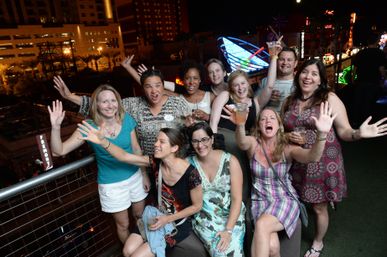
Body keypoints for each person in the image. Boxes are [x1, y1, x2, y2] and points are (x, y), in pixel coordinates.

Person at [281, 58, 387, 257]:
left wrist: (358, 133)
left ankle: (318, 243)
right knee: (298, 199)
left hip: (323, 162)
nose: (308, 77)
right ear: (298, 75)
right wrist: (287, 136)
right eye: (305, 72)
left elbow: (344, 131)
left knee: (319, 207)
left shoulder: (328, 98)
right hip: (298, 160)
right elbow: (283, 129)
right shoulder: (290, 100)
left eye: (314, 74)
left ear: (321, 80)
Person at [224, 101, 335, 257]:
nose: (268, 121)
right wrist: (240, 125)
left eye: (272, 118)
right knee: (272, 248)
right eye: (263, 119)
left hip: (283, 199)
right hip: (260, 201)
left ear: (279, 125)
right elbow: (242, 141)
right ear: (259, 126)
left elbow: (312, 157)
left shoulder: (287, 148)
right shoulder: (253, 144)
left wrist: (322, 134)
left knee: (262, 224)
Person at [76, 125, 204, 257]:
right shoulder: (156, 162)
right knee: (127, 251)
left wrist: (168, 219)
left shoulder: (191, 174)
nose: (155, 144)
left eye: (161, 141)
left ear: (174, 148)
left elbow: (197, 206)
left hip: (176, 223)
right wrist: (103, 141)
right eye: (156, 140)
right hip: (155, 216)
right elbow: (125, 156)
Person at [48, 84, 149, 244]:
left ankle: (146, 248)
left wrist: (144, 175)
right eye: (104, 102)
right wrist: (55, 127)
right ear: (97, 105)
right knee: (123, 225)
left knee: (140, 217)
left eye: (113, 100)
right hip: (112, 185)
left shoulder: (126, 118)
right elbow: (58, 151)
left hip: (135, 176)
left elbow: (136, 149)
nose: (110, 105)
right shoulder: (89, 127)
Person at [53, 70, 191, 156]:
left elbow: (192, 131)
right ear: (142, 88)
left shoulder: (178, 103)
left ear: (163, 85)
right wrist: (70, 96)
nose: (154, 91)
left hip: (175, 163)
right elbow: (103, 104)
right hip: (147, 164)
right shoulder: (133, 104)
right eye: (148, 87)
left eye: (157, 85)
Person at [186, 122, 246, 256]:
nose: (200, 145)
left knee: (234, 249)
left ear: (212, 139)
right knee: (219, 250)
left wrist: (228, 230)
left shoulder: (231, 161)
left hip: (231, 214)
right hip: (205, 217)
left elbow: (237, 199)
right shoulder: (187, 164)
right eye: (195, 141)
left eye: (204, 139)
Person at [256, 45, 298, 112]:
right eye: (282, 59)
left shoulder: (299, 83)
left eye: (289, 60)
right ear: (276, 61)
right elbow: (256, 106)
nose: (285, 63)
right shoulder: (265, 81)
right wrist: (267, 96)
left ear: (295, 63)